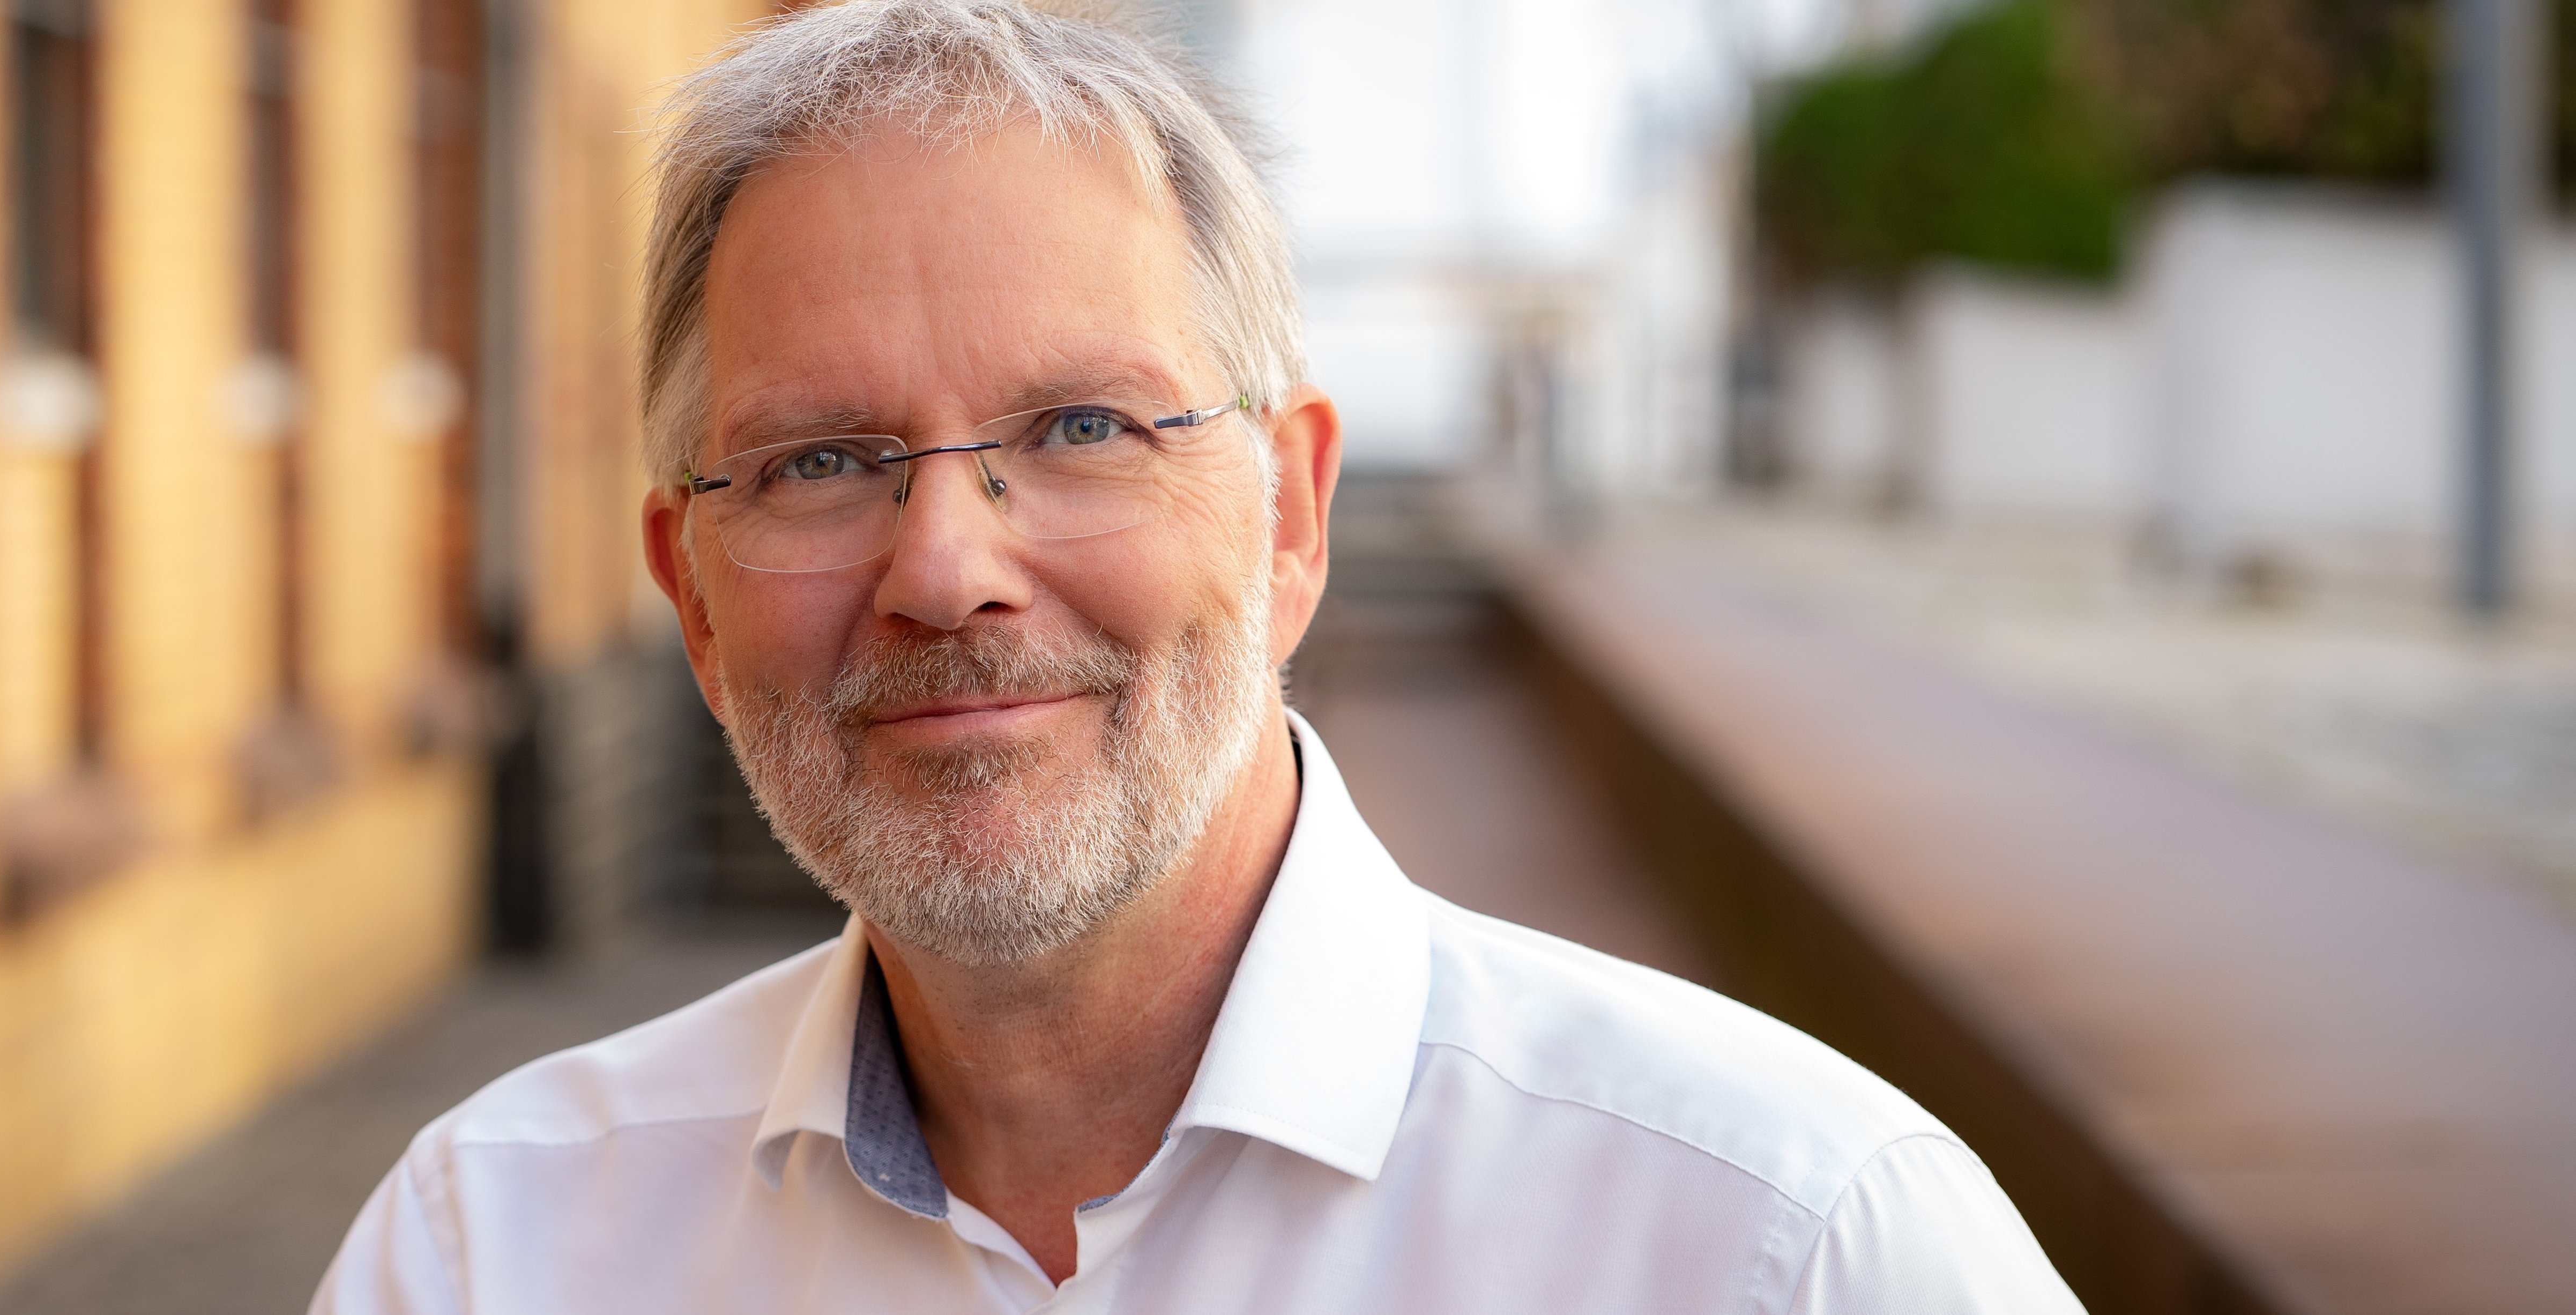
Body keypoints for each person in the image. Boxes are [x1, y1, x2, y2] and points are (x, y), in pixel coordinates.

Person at [314, 2, 2083, 1310]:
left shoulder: (1791, 1246)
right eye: (822, 462)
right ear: (692, 601)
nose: (946, 569)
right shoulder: (488, 1249)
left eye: (1083, 424)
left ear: (1292, 515)